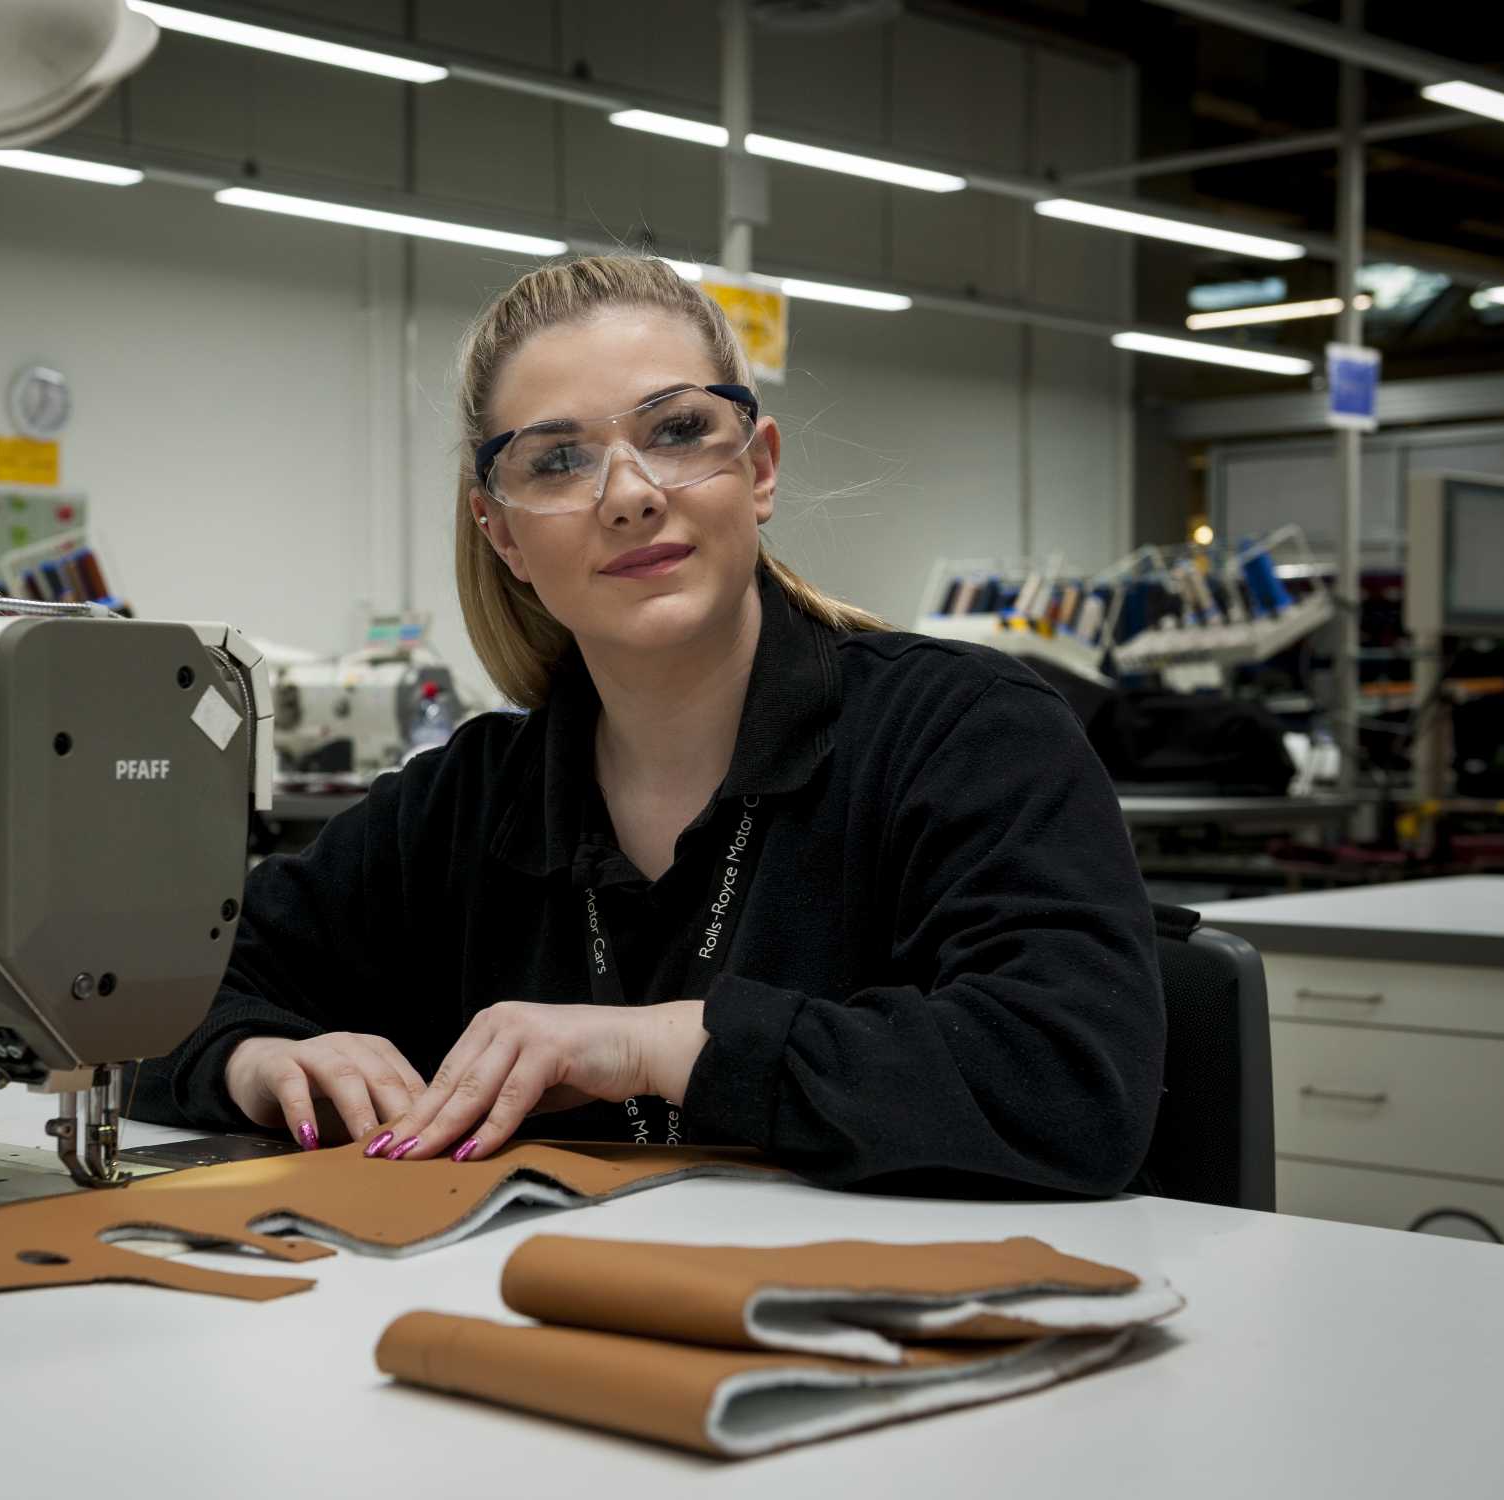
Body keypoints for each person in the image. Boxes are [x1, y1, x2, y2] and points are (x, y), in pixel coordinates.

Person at [129, 254, 1164, 1195]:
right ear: (504, 537)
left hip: (905, 1347)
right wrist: (258, 1062)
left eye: (676, 433)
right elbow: (146, 995)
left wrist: (653, 1045)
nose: (628, 496)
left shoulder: (967, 733)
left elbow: (1069, 1081)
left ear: (757, 469)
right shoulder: (471, 800)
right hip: (544, 1336)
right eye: (557, 462)